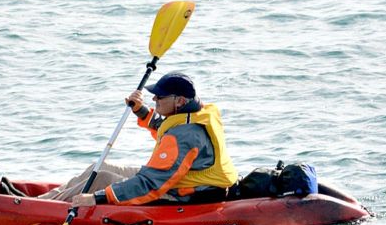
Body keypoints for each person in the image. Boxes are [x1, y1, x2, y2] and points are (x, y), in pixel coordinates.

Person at [37, 72, 239, 206]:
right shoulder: (199, 112)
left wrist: (97, 198)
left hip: (187, 194)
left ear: (180, 100)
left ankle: (46, 207)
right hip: (188, 181)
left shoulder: (183, 136)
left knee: (102, 178)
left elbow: (150, 184)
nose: (154, 99)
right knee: (99, 166)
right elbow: (164, 128)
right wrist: (141, 112)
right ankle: (43, 200)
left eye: (160, 97)